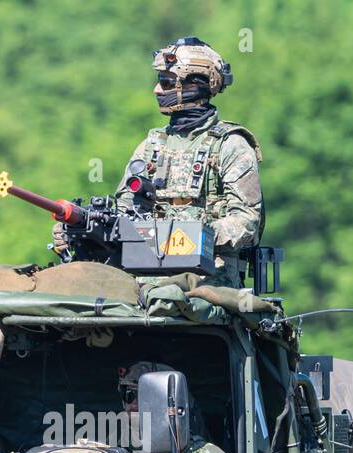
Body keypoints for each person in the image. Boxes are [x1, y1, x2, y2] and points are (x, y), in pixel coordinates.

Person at [54, 37, 264, 287]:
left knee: (166, 299)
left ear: (195, 85)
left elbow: (246, 221)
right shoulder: (151, 145)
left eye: (165, 82)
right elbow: (125, 210)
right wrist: (81, 228)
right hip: (142, 273)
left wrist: (189, 239)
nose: (156, 90)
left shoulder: (230, 145)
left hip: (208, 278)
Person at [119, 361, 239, 453]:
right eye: (127, 394)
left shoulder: (192, 449)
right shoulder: (120, 444)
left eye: (141, 395)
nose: (133, 403)